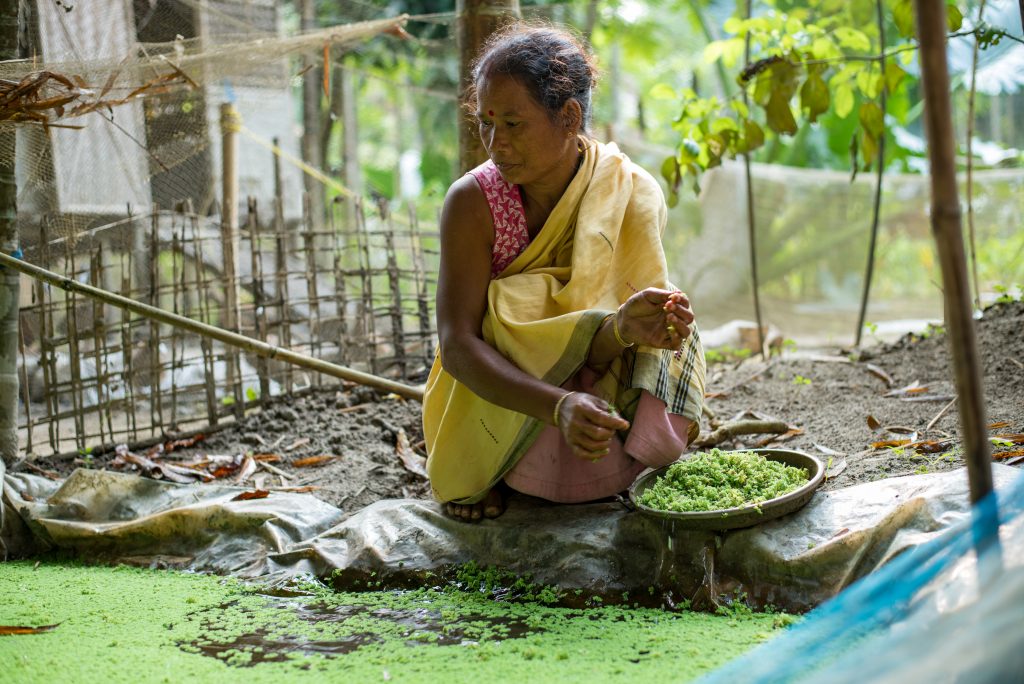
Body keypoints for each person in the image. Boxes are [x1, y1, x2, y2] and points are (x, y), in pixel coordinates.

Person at [423, 23, 705, 521]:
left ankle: (632, 465)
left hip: (605, 368)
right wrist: (558, 405)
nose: (495, 143)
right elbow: (458, 345)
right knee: (505, 313)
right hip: (511, 390)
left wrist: (633, 325)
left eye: (513, 124)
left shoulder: (629, 190)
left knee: (673, 316)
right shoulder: (473, 203)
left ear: (569, 117)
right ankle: (500, 472)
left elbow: (612, 322)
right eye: (486, 123)